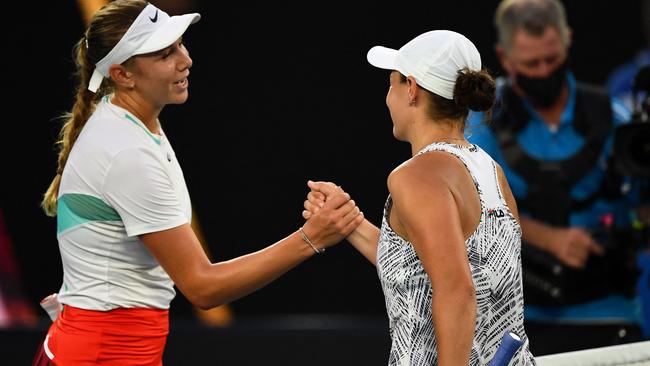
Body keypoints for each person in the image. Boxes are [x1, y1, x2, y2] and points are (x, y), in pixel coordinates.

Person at [32, 1, 363, 365]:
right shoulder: (127, 152)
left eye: (179, 45)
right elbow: (202, 287)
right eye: (164, 54)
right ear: (123, 74)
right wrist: (311, 238)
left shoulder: (133, 123)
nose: (185, 59)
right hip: (100, 356)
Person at [304, 30, 536, 365]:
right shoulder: (491, 172)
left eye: (391, 83)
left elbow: (457, 290)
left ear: (411, 89)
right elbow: (425, 269)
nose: (387, 97)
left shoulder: (414, 176)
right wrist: (351, 224)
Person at [465, 0, 644, 355]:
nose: (544, 71)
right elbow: (469, 205)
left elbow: (640, 205)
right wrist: (551, 239)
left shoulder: (616, 118)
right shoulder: (481, 119)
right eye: (531, 64)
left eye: (553, 59)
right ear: (504, 56)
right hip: (514, 320)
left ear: (568, 42)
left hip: (609, 315)